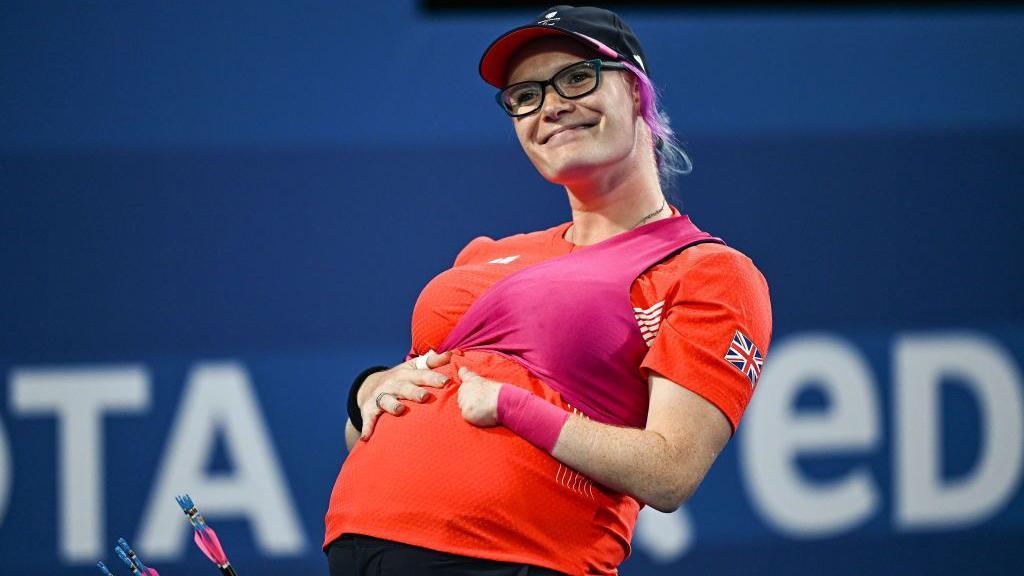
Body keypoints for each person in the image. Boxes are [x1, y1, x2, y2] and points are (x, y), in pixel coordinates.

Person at [324, 5, 772, 575]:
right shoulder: (482, 255)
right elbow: (393, 416)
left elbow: (670, 472)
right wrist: (368, 392)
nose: (552, 106)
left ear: (636, 93)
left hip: (516, 560)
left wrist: (514, 408)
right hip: (360, 546)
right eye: (525, 96)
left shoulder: (707, 270)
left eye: (577, 78)